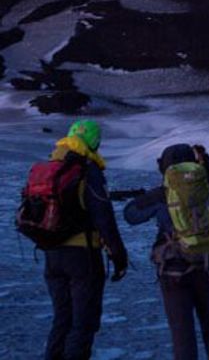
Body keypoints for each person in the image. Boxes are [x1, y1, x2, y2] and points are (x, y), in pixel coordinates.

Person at [124, 143, 209, 360]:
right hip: (207, 266)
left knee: (182, 335)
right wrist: (208, 172)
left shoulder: (162, 194)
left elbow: (130, 214)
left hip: (173, 271)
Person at [43, 120, 128, 360]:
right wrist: (119, 257)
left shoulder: (52, 165)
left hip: (52, 253)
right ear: (94, 141)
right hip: (82, 256)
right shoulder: (87, 170)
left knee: (62, 319)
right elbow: (104, 218)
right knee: (83, 322)